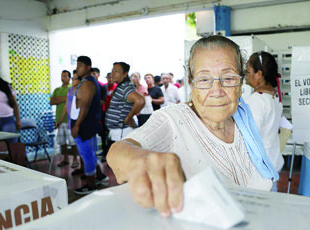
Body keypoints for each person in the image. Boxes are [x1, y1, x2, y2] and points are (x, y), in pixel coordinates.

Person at [107, 35, 278, 217]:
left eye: (228, 78)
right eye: (204, 80)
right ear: (191, 82)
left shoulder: (243, 118)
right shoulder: (174, 120)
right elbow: (118, 151)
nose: (217, 91)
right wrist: (141, 161)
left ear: (241, 81)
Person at [244, 51, 284, 191]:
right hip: (272, 163)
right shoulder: (273, 97)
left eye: (248, 70)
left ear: (259, 74)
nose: (245, 74)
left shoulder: (257, 100)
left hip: (259, 171)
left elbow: (249, 137)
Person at [71, 56, 107, 194]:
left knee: (86, 154)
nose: (77, 67)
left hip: (85, 124)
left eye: (80, 65)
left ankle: (91, 186)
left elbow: (84, 106)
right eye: (77, 64)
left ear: (88, 67)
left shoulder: (88, 83)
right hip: (86, 122)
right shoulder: (86, 81)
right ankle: (100, 175)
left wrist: (77, 125)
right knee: (90, 152)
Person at [105, 62, 145, 143]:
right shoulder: (122, 86)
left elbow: (140, 101)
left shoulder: (125, 87)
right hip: (118, 132)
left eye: (116, 71)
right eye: (112, 71)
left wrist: (129, 117)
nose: (113, 74)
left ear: (125, 74)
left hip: (122, 133)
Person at [51, 70, 79, 168]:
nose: (63, 78)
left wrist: (60, 99)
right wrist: (63, 98)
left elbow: (66, 102)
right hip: (59, 119)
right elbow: (52, 101)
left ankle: (75, 159)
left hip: (69, 120)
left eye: (65, 76)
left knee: (72, 141)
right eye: (62, 76)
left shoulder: (72, 88)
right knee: (62, 141)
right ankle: (65, 159)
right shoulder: (57, 89)